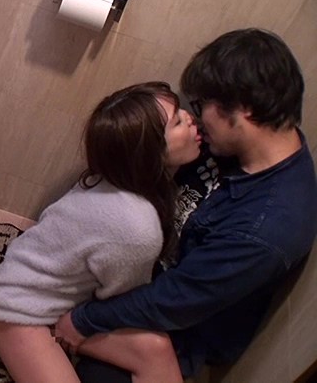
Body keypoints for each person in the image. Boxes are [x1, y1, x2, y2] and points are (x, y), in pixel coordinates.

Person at [55, 28, 317, 381]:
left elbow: (176, 300)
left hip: (178, 330)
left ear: (243, 111)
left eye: (201, 106)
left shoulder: (268, 228)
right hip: (146, 275)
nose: (194, 118)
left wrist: (84, 320)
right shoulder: (235, 145)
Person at [0, 81, 202, 382]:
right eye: (177, 122)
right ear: (150, 153)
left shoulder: (113, 177)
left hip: (58, 296)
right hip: (16, 311)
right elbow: (120, 301)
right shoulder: (137, 225)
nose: (190, 118)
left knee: (157, 349)